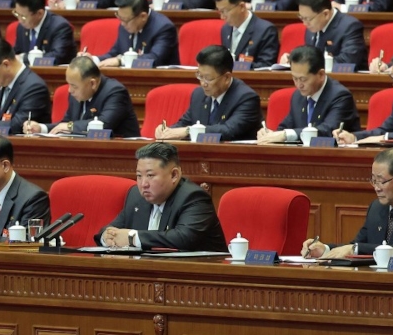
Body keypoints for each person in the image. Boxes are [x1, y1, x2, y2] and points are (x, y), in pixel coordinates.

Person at [302, 149, 393, 264]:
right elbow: (356, 245)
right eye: (373, 180)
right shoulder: (377, 208)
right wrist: (325, 249)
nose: (376, 188)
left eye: (381, 181)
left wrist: (355, 249)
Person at [97, 142, 226, 251]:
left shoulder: (193, 198)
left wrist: (133, 237)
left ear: (174, 175)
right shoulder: (135, 195)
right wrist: (106, 236)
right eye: (139, 176)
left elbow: (183, 238)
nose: (143, 184)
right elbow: (111, 229)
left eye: (150, 175)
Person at [157, 45, 262, 142]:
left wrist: (189, 130)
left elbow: (228, 130)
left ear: (226, 77)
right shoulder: (198, 94)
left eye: (208, 78)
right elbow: (184, 123)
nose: (203, 83)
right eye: (200, 76)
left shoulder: (246, 98)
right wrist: (167, 130)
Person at [257, 46, 360, 144]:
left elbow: (328, 130)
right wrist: (270, 134)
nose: (298, 85)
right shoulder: (297, 96)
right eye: (294, 78)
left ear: (321, 75)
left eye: (303, 79)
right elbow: (285, 128)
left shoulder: (340, 96)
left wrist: (285, 134)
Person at [23, 56, 140, 138]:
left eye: (74, 86)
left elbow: (103, 124)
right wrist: (41, 128)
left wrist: (70, 126)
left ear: (92, 83)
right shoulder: (77, 93)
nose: (69, 90)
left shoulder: (115, 92)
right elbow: (65, 124)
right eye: (69, 84)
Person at [282, 0, 367, 69]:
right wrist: (294, 59)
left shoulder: (350, 26)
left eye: (308, 19)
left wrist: (306, 64)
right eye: (301, 18)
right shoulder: (311, 28)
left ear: (325, 14)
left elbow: (347, 61)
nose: (304, 23)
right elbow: (310, 55)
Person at [98, 0, 178, 67]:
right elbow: (114, 54)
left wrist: (121, 61)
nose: (122, 24)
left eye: (126, 20)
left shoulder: (163, 27)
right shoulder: (125, 24)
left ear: (143, 16)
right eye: (120, 18)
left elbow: (155, 58)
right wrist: (94, 60)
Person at [214, 0, 280, 69]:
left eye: (225, 11)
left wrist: (235, 65)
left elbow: (266, 66)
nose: (222, 17)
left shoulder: (266, 30)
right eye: (219, 11)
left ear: (241, 7)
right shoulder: (225, 29)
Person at [11, 0, 77, 65]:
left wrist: (25, 58)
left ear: (40, 14)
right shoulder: (21, 27)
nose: (20, 20)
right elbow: (17, 52)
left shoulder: (60, 27)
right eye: (17, 14)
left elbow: (57, 57)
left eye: (23, 16)